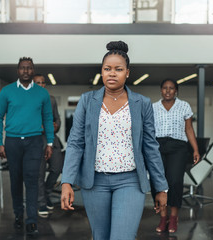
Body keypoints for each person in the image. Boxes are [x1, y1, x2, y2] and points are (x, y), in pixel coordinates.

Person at [60, 41, 169, 240]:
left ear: (127, 73)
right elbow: (75, 142)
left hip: (130, 181)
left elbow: (150, 146)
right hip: (95, 182)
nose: (112, 73)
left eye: (118, 69)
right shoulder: (87, 101)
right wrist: (66, 181)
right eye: (107, 69)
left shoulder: (141, 103)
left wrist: (161, 187)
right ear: (101, 71)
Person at [0, 57, 54, 237]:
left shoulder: (42, 94)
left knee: (32, 181)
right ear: (18, 71)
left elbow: (48, 119)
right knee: (15, 180)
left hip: (34, 142)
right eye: (22, 68)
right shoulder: (7, 91)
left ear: (33, 70)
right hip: (12, 142)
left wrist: (49, 143)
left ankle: (32, 220)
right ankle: (18, 214)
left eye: (29, 68)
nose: (26, 71)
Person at [152, 78, 201, 233]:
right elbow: (149, 131)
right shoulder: (153, 107)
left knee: (174, 181)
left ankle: (173, 217)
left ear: (176, 91)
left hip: (178, 147)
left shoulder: (184, 106)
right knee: (159, 182)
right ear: (161, 90)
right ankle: (163, 217)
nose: (168, 91)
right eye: (165, 88)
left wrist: (195, 149)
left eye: (171, 88)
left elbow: (189, 129)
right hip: (158, 146)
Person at [33, 73, 64, 217]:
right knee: (39, 174)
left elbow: (57, 118)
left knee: (57, 168)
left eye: (42, 83)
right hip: (36, 142)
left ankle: (46, 193)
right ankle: (41, 203)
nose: (41, 85)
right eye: (37, 83)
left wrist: (56, 126)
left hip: (53, 140)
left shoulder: (51, 100)